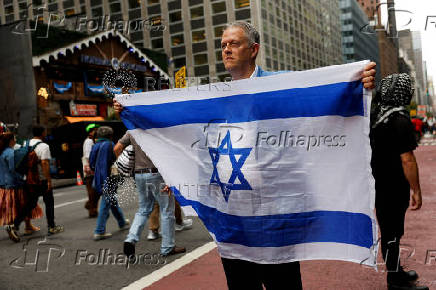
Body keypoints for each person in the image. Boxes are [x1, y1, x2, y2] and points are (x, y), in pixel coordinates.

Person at [113, 21, 376, 289]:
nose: (226, 50)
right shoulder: (216, 98)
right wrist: (131, 110)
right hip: (233, 223)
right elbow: (200, 149)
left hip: (274, 222)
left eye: (234, 43)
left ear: (253, 49)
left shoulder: (279, 87)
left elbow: (322, 95)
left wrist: (357, 82)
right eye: (223, 45)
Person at [371, 74, 428, 290]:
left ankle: (397, 273)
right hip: (395, 186)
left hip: (378, 184)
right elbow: (408, 160)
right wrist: (416, 190)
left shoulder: (375, 117)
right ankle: (394, 281)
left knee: (390, 232)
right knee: (392, 232)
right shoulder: (400, 120)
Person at [114, 132, 186, 257]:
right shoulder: (156, 127)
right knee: (167, 210)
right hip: (157, 173)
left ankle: (130, 239)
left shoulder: (132, 130)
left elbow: (117, 148)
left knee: (143, 209)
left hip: (138, 174)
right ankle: (167, 247)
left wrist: (127, 168)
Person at [5, 126, 64, 242]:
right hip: (41, 179)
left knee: (30, 204)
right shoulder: (44, 146)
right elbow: (45, 163)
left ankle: (14, 225)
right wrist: (48, 180)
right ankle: (52, 227)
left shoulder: (25, 144)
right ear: (43, 133)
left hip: (28, 179)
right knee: (49, 202)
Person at [90, 126, 129, 240]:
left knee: (111, 200)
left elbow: (92, 163)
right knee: (106, 203)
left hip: (97, 178)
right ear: (110, 135)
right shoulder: (111, 145)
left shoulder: (95, 146)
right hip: (109, 179)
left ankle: (121, 222)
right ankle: (99, 231)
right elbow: (117, 161)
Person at [1, 132, 43, 239]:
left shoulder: (2, 152)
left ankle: (26, 226)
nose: (15, 139)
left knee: (11, 207)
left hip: (4, 184)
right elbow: (13, 169)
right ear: (11, 140)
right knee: (21, 205)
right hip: (14, 184)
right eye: (14, 138)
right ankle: (15, 227)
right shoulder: (11, 153)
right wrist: (23, 177)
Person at [82, 123, 100, 218]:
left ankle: (90, 205)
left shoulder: (94, 141)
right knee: (92, 191)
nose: (97, 131)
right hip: (90, 169)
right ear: (90, 132)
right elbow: (88, 156)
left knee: (96, 190)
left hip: (94, 169)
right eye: (95, 130)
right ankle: (92, 210)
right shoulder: (89, 141)